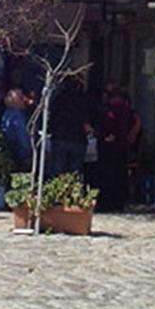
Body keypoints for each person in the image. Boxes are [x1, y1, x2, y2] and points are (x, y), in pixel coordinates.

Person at [95, 79, 132, 211]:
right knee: (118, 174)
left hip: (111, 145)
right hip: (119, 145)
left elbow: (112, 124)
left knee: (109, 174)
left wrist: (108, 134)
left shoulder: (114, 107)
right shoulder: (124, 107)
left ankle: (108, 202)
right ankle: (117, 202)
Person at [47, 74, 92, 178]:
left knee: (57, 173)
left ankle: (57, 192)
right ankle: (72, 193)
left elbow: (52, 115)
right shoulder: (84, 99)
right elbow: (90, 117)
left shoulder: (59, 98)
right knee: (75, 174)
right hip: (78, 139)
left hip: (60, 137)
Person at [0, 88, 33, 172]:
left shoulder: (6, 114)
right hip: (19, 153)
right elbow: (22, 136)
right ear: (16, 102)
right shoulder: (17, 117)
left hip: (9, 151)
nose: (24, 100)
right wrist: (27, 154)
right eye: (21, 98)